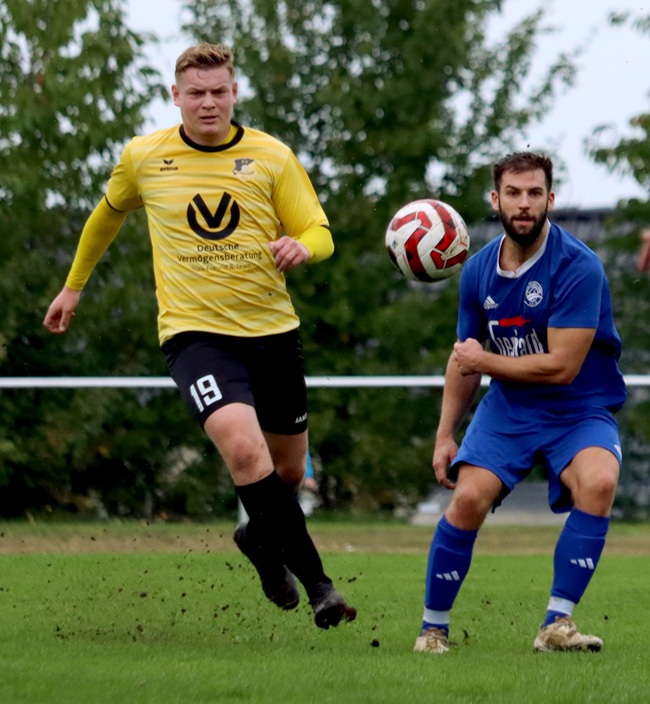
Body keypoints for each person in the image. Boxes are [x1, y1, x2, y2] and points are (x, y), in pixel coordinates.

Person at [43, 43, 355, 630]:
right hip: (194, 335)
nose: (208, 103)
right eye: (196, 93)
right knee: (243, 449)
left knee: (287, 475)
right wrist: (73, 286)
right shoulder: (144, 156)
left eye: (218, 92)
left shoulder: (271, 156)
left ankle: (257, 540)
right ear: (176, 96)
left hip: (273, 333)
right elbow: (106, 215)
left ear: (234, 93)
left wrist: (302, 246)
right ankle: (321, 586)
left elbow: (320, 232)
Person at [414, 151, 626, 654]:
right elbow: (464, 359)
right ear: (496, 200)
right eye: (513, 193)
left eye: (534, 193)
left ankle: (557, 625)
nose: (524, 203)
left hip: (578, 406)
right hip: (510, 408)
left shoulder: (579, 266)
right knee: (468, 499)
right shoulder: (477, 271)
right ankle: (432, 630)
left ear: (550, 199)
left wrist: (483, 360)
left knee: (599, 481)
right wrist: (445, 434)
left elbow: (561, 367)